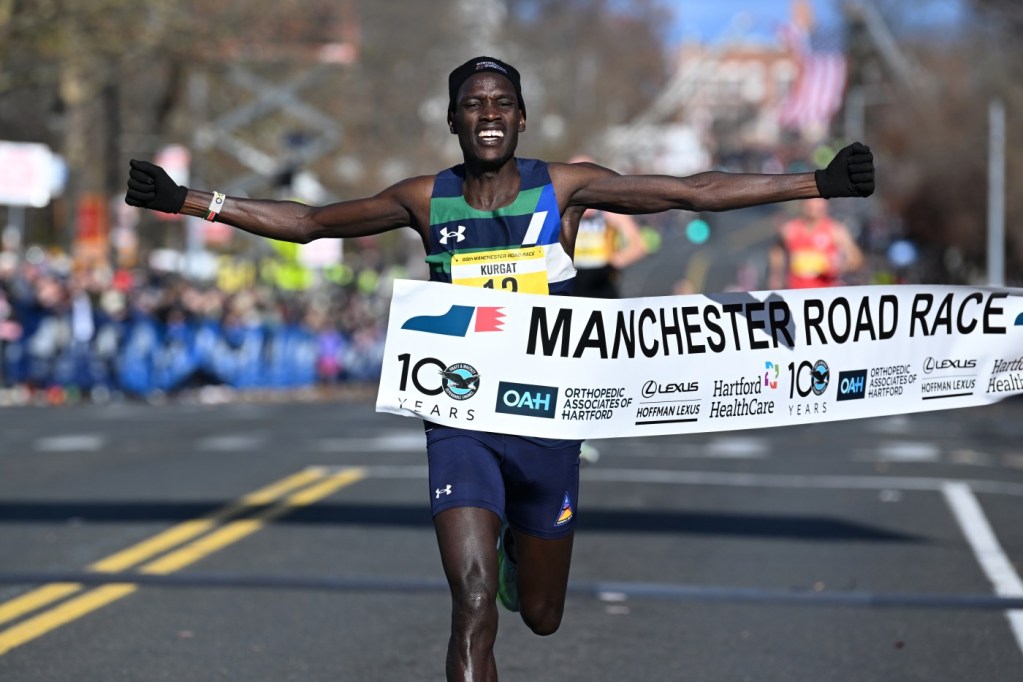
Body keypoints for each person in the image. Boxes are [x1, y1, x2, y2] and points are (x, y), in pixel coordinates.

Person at [125, 55, 875, 682]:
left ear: (521, 119)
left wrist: (818, 185)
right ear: (452, 120)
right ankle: (492, 565)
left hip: (550, 424)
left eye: (502, 103)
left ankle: (526, 547)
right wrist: (192, 200)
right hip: (462, 419)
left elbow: (689, 192)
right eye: (472, 103)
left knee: (541, 618)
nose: (487, 113)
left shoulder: (566, 189)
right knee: (474, 601)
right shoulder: (425, 198)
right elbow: (313, 222)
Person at [563, 155, 648, 299]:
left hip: (601, 283)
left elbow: (639, 245)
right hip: (571, 281)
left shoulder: (609, 211)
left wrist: (614, 263)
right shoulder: (561, 210)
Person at [767, 196, 865, 290]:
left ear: (825, 204)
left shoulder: (835, 229)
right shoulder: (791, 229)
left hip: (826, 294)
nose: (814, 204)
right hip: (796, 293)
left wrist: (841, 266)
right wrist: (776, 275)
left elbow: (856, 259)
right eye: (810, 201)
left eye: (819, 201)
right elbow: (777, 250)